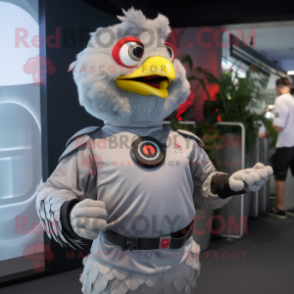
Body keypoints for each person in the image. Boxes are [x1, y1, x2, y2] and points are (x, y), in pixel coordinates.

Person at [259, 77, 294, 219]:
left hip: (285, 144)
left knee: (280, 174)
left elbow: (278, 127)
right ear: (289, 86)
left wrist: (264, 135)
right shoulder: (293, 99)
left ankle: (280, 208)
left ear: (277, 88)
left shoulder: (280, 100)